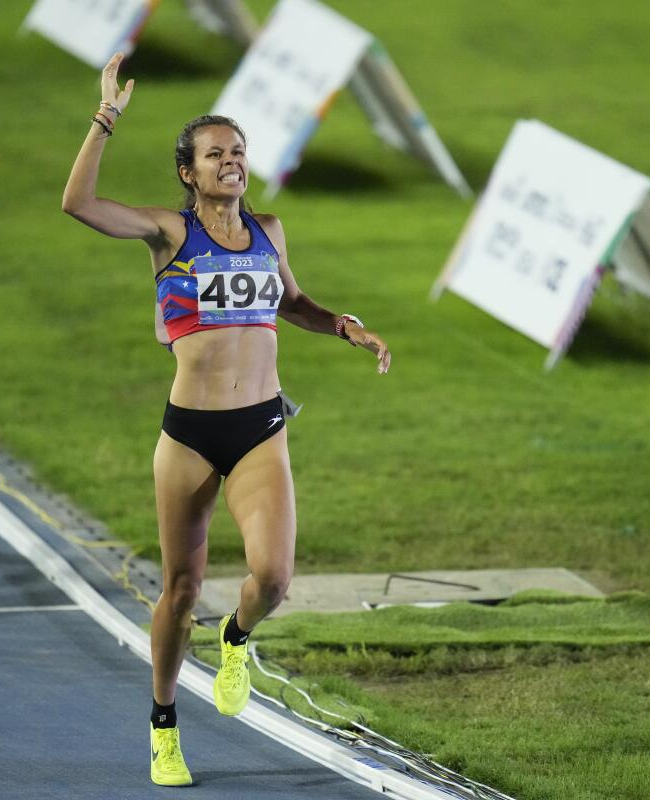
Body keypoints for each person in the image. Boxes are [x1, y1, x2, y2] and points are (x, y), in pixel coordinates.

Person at [62, 53, 391, 786]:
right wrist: (105, 115)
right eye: (216, 154)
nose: (232, 162)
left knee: (272, 578)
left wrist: (344, 326)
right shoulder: (167, 235)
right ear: (189, 173)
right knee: (180, 588)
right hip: (188, 435)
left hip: (259, 430)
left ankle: (237, 637)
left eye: (238, 151)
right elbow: (78, 204)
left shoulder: (271, 231)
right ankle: (163, 724)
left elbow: (293, 304)